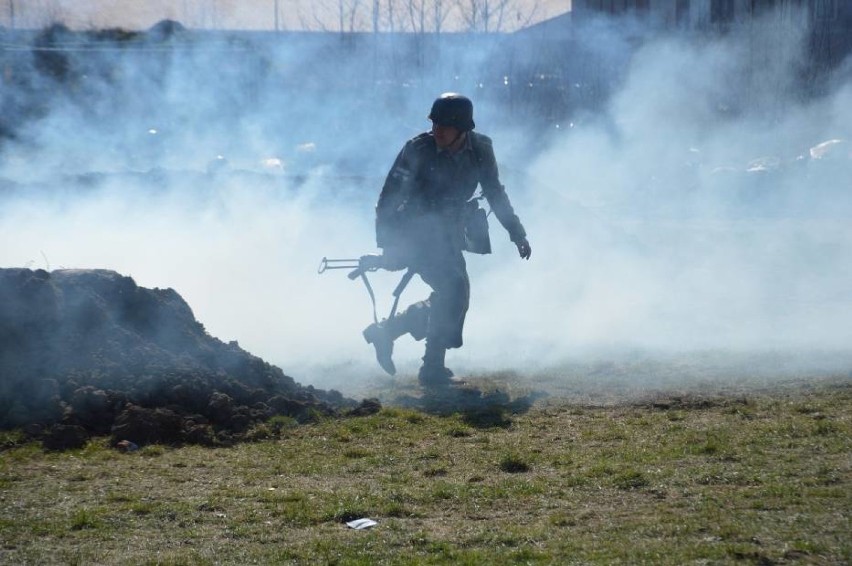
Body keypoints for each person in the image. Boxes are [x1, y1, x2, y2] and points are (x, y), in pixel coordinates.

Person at [363, 93, 531, 388]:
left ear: (462, 129)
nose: (437, 131)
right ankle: (430, 368)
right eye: (435, 124)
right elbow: (390, 196)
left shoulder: (480, 149)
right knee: (454, 289)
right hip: (415, 231)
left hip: (450, 232)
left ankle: (390, 331)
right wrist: (388, 245)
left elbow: (495, 192)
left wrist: (516, 232)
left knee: (454, 295)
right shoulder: (417, 149)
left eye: (445, 126)